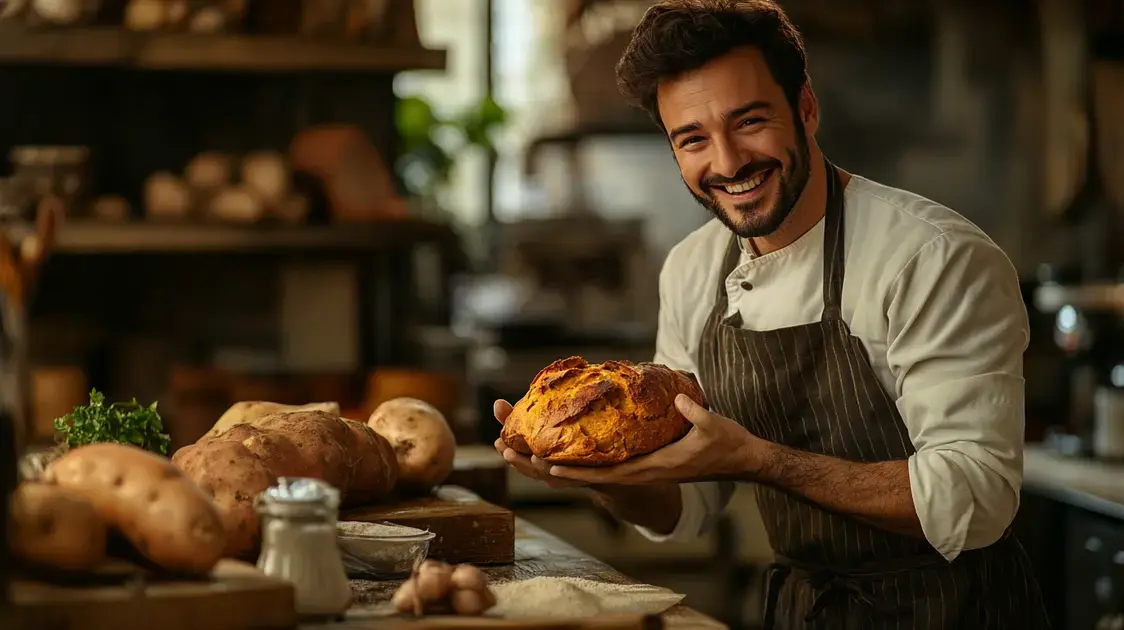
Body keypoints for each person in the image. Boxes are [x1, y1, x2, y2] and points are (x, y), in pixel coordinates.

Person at [492, 1, 1050, 627]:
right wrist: (598, 472)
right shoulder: (691, 269)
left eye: (749, 121)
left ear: (806, 109)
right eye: (693, 138)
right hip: (803, 612)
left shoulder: (932, 258)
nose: (728, 163)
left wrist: (759, 459)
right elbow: (686, 509)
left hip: (954, 613)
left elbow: (976, 498)